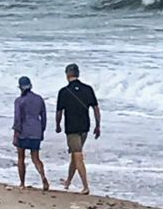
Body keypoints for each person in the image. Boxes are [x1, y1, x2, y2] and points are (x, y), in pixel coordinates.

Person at [55, 63, 100, 194]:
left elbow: (59, 112)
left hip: (72, 128)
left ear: (67, 75)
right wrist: (98, 125)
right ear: (78, 74)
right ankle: (68, 181)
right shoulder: (88, 89)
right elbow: (96, 109)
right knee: (76, 154)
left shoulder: (63, 92)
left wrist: (58, 125)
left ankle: (85, 186)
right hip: (85, 126)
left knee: (77, 155)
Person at [12, 76, 49, 191]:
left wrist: (15, 133)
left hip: (23, 131)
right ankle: (43, 176)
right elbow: (44, 117)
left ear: (20, 88)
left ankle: (22, 183)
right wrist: (42, 130)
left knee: (21, 158)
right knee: (35, 158)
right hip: (36, 130)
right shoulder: (39, 99)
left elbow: (18, 119)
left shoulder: (19, 101)